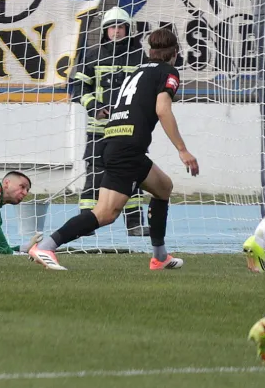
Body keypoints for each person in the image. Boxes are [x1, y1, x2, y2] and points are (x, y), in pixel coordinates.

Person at [28, 28, 199, 272]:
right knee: (106, 213)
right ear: (175, 53)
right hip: (127, 148)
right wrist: (182, 150)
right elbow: (163, 109)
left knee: (164, 188)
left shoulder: (138, 71)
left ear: (151, 52)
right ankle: (47, 246)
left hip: (114, 140)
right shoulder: (168, 72)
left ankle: (159, 257)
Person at [71, 7, 149, 237]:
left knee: (131, 174)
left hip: (129, 130)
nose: (117, 31)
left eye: (121, 27)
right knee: (95, 175)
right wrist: (95, 107)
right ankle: (86, 224)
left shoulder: (139, 57)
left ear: (128, 29)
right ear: (106, 30)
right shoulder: (92, 55)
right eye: (113, 27)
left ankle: (134, 225)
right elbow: (78, 87)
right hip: (99, 130)